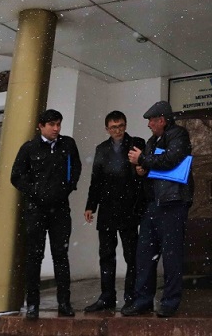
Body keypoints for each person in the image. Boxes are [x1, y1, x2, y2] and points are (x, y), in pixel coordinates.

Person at [121, 100, 192, 318]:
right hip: (153, 204)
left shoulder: (179, 135)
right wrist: (141, 169)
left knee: (171, 256)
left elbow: (171, 159)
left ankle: (170, 302)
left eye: (151, 121)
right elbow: (151, 164)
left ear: (162, 120)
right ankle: (143, 300)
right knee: (144, 255)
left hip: (172, 203)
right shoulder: (152, 141)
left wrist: (143, 158)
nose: (149, 125)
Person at [10, 109, 82, 320]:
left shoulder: (67, 144)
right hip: (36, 211)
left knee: (61, 255)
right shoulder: (29, 148)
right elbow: (16, 176)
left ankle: (64, 302)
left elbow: (76, 167)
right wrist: (35, 191)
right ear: (41, 126)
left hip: (60, 209)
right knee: (35, 256)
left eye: (58, 124)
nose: (56, 128)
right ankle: (33, 304)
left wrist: (68, 187)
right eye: (51, 124)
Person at [82, 110, 147, 312]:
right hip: (107, 208)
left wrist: (141, 170)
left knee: (132, 255)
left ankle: (131, 296)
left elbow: (145, 170)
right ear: (107, 129)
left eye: (120, 126)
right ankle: (107, 296)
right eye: (113, 127)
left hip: (129, 207)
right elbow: (96, 180)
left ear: (125, 125)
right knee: (106, 255)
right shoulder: (102, 149)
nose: (117, 130)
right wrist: (91, 205)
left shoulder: (136, 143)